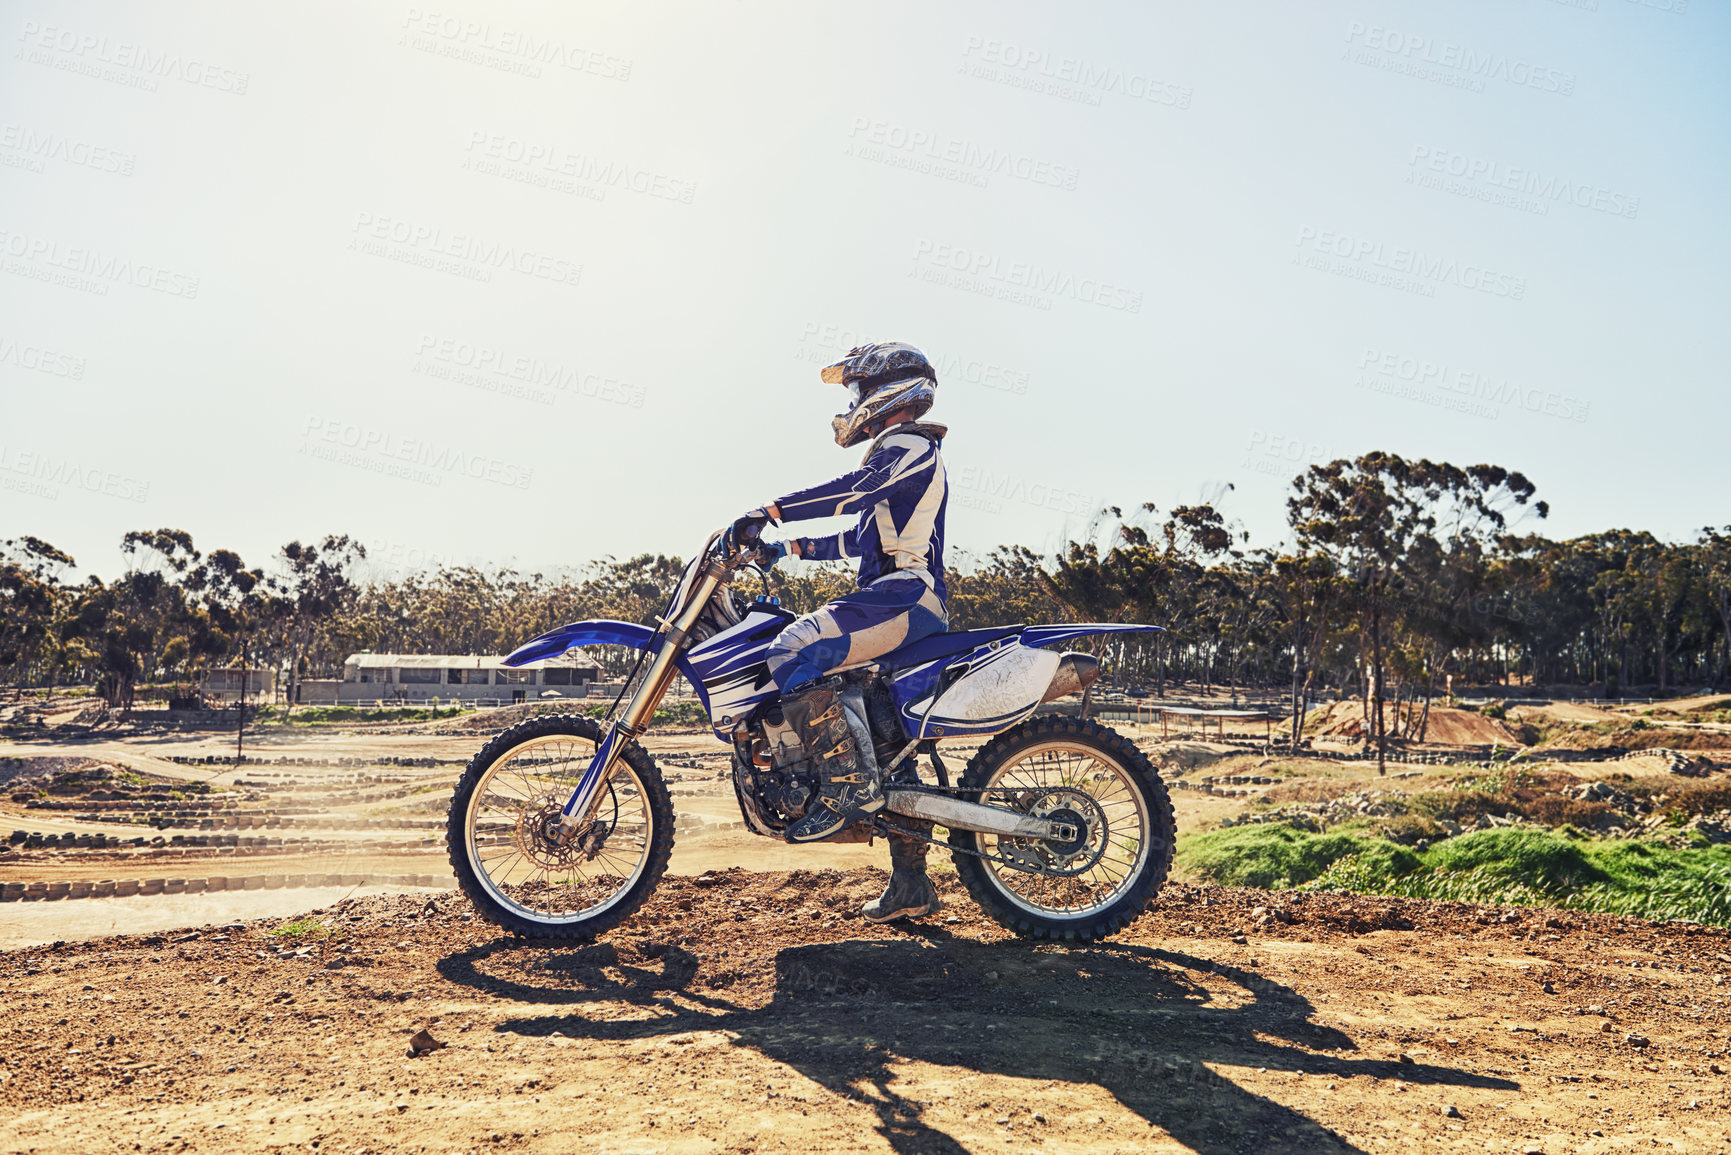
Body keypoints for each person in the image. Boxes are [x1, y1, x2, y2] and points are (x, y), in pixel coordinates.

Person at [728, 341, 948, 922]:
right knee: (887, 740)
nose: (852, 403)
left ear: (886, 392)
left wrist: (767, 511)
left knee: (790, 646)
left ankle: (844, 788)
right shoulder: (902, 455)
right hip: (893, 595)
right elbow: (859, 535)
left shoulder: (907, 445)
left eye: (856, 391)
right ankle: (911, 885)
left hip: (904, 596)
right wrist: (789, 548)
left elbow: (852, 493)